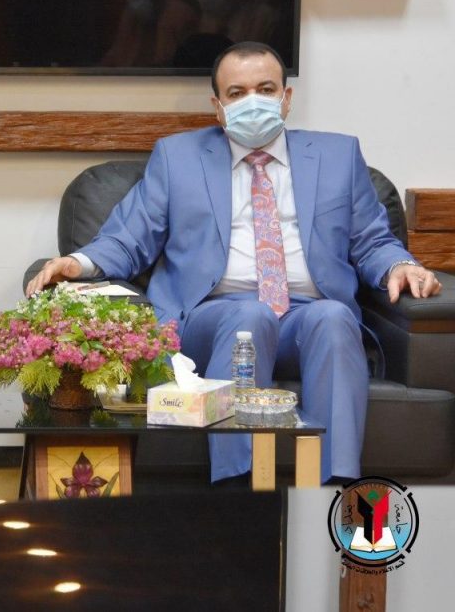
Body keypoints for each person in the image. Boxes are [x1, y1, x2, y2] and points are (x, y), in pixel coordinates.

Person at [27, 41, 442, 484]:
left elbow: (372, 240)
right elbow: (130, 237)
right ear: (219, 107)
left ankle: (334, 487)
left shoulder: (338, 156)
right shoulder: (178, 158)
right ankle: (238, 485)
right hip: (213, 318)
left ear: (286, 98)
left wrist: (398, 266)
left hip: (306, 316)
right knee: (250, 315)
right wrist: (79, 263)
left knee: (335, 316)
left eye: (266, 89)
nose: (253, 101)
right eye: (237, 93)